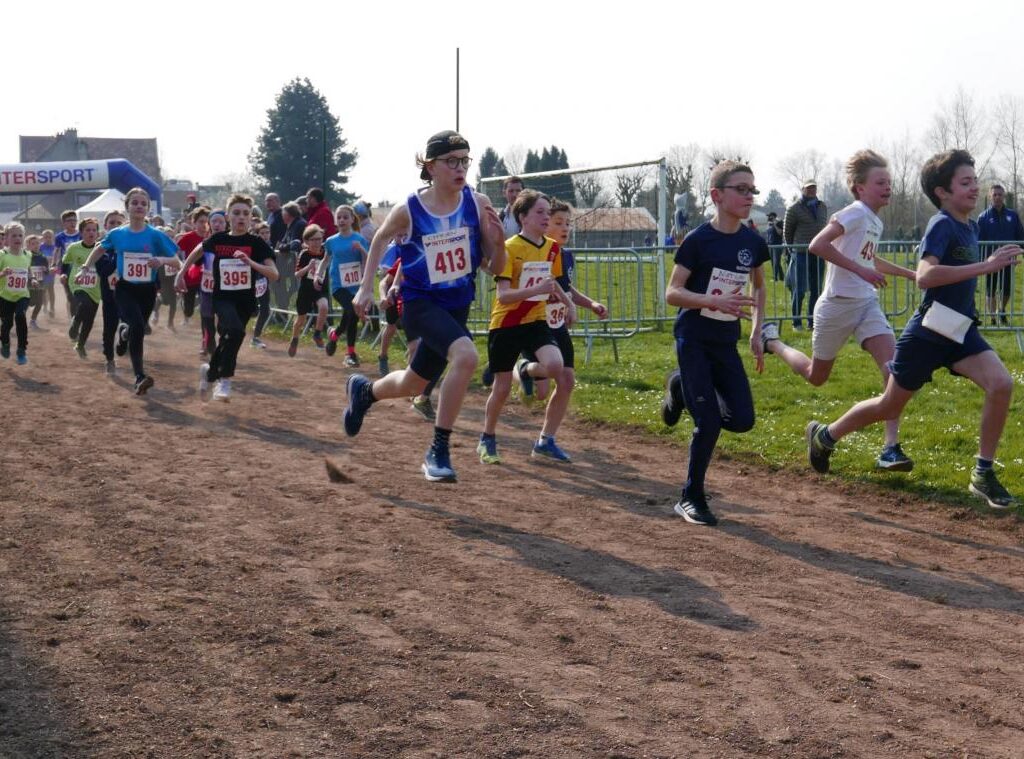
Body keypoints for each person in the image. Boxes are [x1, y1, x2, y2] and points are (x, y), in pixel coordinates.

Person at [806, 150, 1022, 509]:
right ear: (942, 192)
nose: (974, 188)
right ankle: (825, 435)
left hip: (960, 330)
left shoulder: (971, 225)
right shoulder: (941, 224)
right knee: (889, 405)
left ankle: (983, 473)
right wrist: (985, 267)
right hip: (928, 332)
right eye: (965, 182)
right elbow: (925, 276)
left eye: (975, 180)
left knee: (1001, 383)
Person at [342, 129, 506, 482]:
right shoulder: (411, 208)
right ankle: (438, 450)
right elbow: (381, 238)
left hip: (456, 304)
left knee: (415, 384)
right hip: (419, 302)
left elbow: (496, 268)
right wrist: (365, 288)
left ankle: (364, 392)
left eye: (465, 160)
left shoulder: (477, 204)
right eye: (451, 161)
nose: (459, 167)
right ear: (430, 166)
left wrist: (498, 243)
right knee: (466, 356)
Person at [763, 150, 917, 471]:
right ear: (860, 187)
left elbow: (869, 259)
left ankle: (890, 449)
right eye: (880, 183)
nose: (887, 187)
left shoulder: (874, 219)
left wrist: (912, 274)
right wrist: (861, 273)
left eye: (889, 182)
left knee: (894, 373)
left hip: (866, 305)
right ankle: (773, 342)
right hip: (836, 307)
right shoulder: (855, 212)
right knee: (816, 377)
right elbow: (817, 245)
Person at [660, 160, 769, 526]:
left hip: (726, 342)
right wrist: (711, 301)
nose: (749, 196)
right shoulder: (698, 241)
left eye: (752, 190)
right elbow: (672, 293)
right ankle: (690, 498)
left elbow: (760, 285)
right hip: (692, 339)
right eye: (741, 189)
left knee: (742, 420)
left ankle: (677, 387)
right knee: (708, 421)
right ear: (716, 196)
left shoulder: (753, 241)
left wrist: (756, 330)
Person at [477, 190, 573, 464]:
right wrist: (535, 289)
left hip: (535, 321)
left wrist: (569, 304)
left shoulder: (551, 249)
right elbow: (503, 295)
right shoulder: (509, 248)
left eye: (547, 212)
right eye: (540, 213)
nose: (546, 218)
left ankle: (526, 370)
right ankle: (487, 437)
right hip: (506, 323)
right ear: (523, 217)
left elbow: (552, 284)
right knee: (502, 389)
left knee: (556, 366)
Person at [78, 187, 181, 395]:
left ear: (148, 209)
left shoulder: (155, 235)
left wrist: (160, 259)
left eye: (143, 203)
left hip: (147, 290)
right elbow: (99, 249)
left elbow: (177, 262)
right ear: (127, 207)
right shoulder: (117, 234)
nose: (139, 206)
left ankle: (123, 335)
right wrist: (85, 267)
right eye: (135, 203)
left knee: (137, 329)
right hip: (124, 288)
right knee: (136, 326)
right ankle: (140, 376)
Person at [176, 194, 278, 401]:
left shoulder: (256, 243)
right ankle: (225, 381)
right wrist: (181, 272)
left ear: (251, 218)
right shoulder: (219, 239)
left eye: (246, 214)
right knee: (235, 331)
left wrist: (251, 262)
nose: (241, 217)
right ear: (228, 216)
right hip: (222, 299)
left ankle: (210, 372)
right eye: (237, 213)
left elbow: (274, 274)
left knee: (230, 338)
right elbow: (198, 250)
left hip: (246, 301)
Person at [521, 197, 608, 404]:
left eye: (568, 223)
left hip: (558, 323)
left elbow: (566, 288)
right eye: (558, 223)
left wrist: (591, 304)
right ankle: (522, 369)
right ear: (544, 223)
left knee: (567, 381)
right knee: (540, 392)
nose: (565, 228)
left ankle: (547, 435)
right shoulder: (538, 253)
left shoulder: (567, 256)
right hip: (535, 324)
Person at [322, 205, 369, 366]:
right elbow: (326, 260)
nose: (342, 220)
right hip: (338, 285)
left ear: (351, 219)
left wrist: (361, 249)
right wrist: (317, 275)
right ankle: (351, 354)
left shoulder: (359, 239)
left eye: (345, 217)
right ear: (336, 221)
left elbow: (369, 260)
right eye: (339, 217)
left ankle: (335, 336)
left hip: (355, 285)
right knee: (351, 310)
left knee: (351, 317)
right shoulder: (331, 241)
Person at [784, 179, 828, 330]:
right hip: (801, 253)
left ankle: (812, 321)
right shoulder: (794, 208)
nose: (812, 190)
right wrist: (793, 250)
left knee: (817, 289)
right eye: (809, 188)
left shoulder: (822, 206)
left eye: (814, 188)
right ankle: (796, 322)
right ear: (803, 189)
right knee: (800, 289)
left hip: (819, 253)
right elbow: (787, 232)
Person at [978, 183, 1024, 325]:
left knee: (1006, 289)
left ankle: (1001, 310)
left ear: (1004, 196)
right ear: (990, 197)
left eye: (1000, 194)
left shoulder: (1013, 215)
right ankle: (992, 318)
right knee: (990, 289)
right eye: (995, 195)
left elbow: (1020, 235)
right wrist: (982, 260)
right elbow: (979, 240)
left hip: (1008, 259)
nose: (997, 197)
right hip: (990, 260)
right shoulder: (983, 217)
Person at [287, 224, 330, 357]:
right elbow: (297, 274)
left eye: (319, 239)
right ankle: (294, 339)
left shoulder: (325, 252)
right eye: (314, 239)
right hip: (306, 290)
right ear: (307, 241)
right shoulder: (304, 254)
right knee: (301, 320)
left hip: (320, 288)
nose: (317, 242)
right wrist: (308, 267)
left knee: (324, 306)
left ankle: (317, 334)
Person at [63, 218, 103, 359]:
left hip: (95, 288)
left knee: (90, 320)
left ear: (98, 233)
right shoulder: (73, 248)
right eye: (87, 230)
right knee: (84, 303)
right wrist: (63, 273)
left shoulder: (102, 248)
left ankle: (80, 345)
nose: (91, 232)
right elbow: (65, 262)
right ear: (81, 232)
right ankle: (75, 323)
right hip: (77, 283)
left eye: (94, 230)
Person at [96, 210, 125, 374]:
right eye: (111, 223)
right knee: (109, 328)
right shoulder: (100, 248)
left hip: (130, 293)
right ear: (105, 226)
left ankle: (123, 340)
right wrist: (119, 256)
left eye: (119, 223)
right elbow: (104, 270)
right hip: (109, 295)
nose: (115, 226)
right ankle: (109, 360)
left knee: (130, 323)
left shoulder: (131, 243)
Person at [0, 223, 33, 364]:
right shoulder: (2, 255)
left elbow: (28, 271)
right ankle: (5, 344)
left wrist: (33, 279)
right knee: (6, 324)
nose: (17, 238)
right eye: (13, 235)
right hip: (5, 296)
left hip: (22, 295)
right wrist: (2, 273)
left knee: (20, 316)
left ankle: (21, 349)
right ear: (6, 239)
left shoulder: (27, 254)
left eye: (20, 235)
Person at [273, 201, 306, 309]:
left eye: (284, 212)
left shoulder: (299, 224)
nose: (282, 215)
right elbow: (283, 242)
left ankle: (284, 307)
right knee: (279, 284)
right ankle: (282, 308)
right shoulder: (290, 225)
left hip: (296, 263)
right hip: (289, 263)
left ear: (288, 213)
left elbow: (295, 244)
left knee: (292, 286)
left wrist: (283, 247)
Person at [53, 210, 81, 318]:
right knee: (70, 296)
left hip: (80, 268)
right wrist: (53, 264)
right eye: (69, 220)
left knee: (79, 295)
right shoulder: (59, 237)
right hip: (66, 268)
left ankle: (77, 314)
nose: (72, 223)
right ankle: (73, 318)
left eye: (74, 220)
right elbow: (56, 251)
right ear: (63, 223)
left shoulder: (81, 234)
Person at [250, 222, 273, 349]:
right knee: (250, 311)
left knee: (265, 310)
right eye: (262, 233)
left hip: (263, 282)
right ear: (257, 235)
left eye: (267, 233)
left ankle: (256, 337)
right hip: (250, 282)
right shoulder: (253, 246)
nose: (265, 236)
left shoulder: (270, 245)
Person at [27, 235, 48, 330]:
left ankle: (33, 321)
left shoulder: (43, 257)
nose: (36, 245)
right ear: (28, 245)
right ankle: (19, 320)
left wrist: (45, 269)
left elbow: (47, 272)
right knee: (28, 303)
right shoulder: (26, 256)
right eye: (33, 244)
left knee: (39, 303)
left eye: (37, 243)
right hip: (29, 284)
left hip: (40, 283)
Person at [40, 229, 56, 318]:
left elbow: (58, 259)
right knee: (43, 291)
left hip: (51, 272)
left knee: (51, 290)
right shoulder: (40, 247)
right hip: (42, 272)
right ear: (43, 238)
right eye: (45, 237)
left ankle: (52, 308)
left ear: (52, 238)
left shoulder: (55, 247)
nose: (48, 239)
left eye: (49, 237)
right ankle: (45, 306)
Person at [764, 211, 784, 281]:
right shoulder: (769, 225)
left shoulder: (778, 222)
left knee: (776, 262)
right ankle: (782, 277)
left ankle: (775, 278)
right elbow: (768, 236)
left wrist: (775, 224)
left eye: (769, 216)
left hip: (777, 245)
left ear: (773, 217)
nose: (768, 218)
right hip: (771, 246)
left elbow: (780, 232)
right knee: (774, 262)